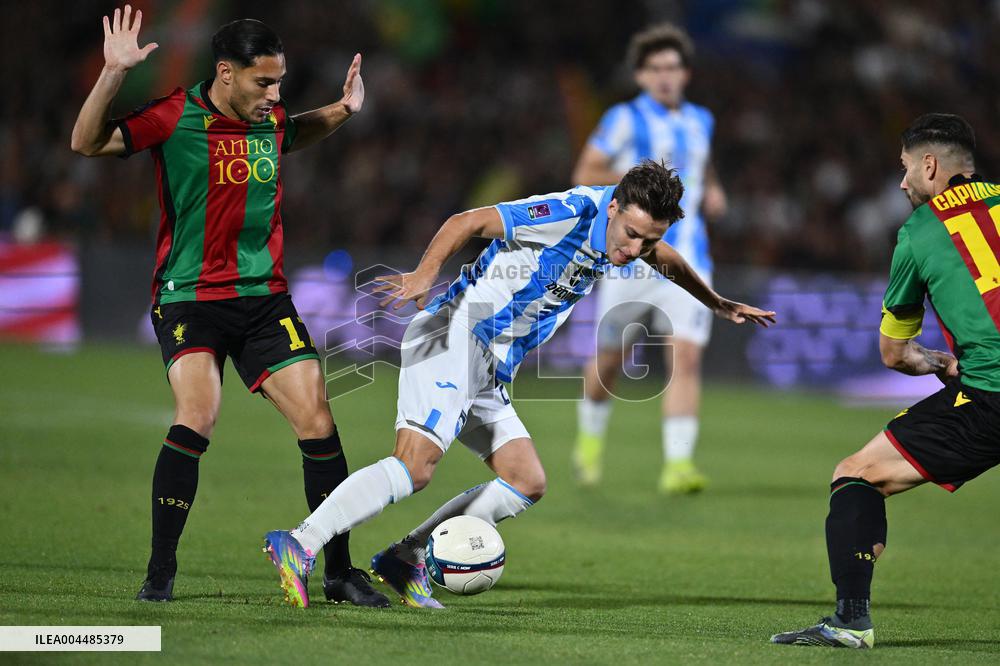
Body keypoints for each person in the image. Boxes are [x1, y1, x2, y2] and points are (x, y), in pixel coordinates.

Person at [262, 160, 776, 609]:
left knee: (526, 479)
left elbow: (663, 257)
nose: (636, 248)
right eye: (633, 233)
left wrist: (714, 302)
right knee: (415, 466)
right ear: (615, 205)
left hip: (490, 365)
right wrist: (424, 274)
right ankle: (301, 542)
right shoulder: (569, 212)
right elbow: (469, 221)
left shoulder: (629, 236)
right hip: (453, 332)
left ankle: (405, 557)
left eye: (649, 238)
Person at [71, 5, 389, 607]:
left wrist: (343, 111)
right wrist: (112, 73)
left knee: (318, 421)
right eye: (263, 82)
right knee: (199, 414)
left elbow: (297, 131)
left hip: (264, 299)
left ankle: (339, 573)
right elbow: (86, 142)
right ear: (224, 73)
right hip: (189, 297)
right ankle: (160, 571)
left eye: (280, 82)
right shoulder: (175, 115)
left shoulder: (269, 121)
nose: (275, 94)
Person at [771, 113, 1000, 649]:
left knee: (857, 474)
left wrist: (945, 364)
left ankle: (851, 621)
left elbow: (894, 354)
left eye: (904, 170)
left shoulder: (918, 233)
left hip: (990, 395)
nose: (901, 183)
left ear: (929, 165)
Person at [571, 23, 728, 494]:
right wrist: (645, 177)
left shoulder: (701, 119)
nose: (665, 76)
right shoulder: (623, 118)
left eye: (673, 68)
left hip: (691, 257)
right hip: (632, 257)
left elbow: (702, 163)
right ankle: (589, 441)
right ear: (640, 76)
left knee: (687, 358)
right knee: (610, 360)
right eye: (655, 68)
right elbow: (585, 171)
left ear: (686, 74)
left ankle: (678, 465)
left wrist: (714, 188)